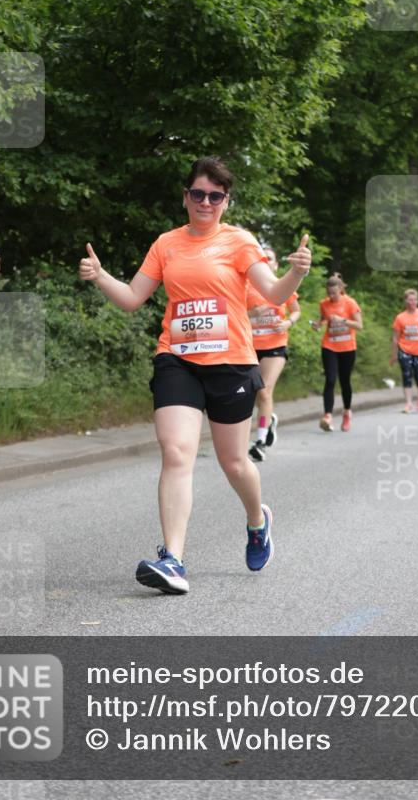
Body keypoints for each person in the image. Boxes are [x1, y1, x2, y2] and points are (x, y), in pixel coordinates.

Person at [79, 157, 311, 594]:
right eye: (198, 194)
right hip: (178, 359)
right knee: (176, 451)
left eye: (215, 195)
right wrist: (100, 276)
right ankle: (173, 560)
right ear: (186, 196)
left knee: (234, 462)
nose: (206, 202)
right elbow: (132, 298)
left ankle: (257, 521)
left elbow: (273, 292)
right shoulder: (166, 244)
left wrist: (296, 272)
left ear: (226, 201)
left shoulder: (239, 241)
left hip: (231, 364)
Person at [246, 248, 301, 461]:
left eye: (270, 258)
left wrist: (288, 322)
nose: (266, 261)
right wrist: (252, 313)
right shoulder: (247, 288)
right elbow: (235, 315)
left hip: (275, 346)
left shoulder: (283, 287)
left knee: (265, 392)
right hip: (249, 347)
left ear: (276, 265)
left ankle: (260, 441)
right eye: (262, 259)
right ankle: (269, 421)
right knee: (250, 395)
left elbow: (296, 310)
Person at [311, 273, 362, 432]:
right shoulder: (324, 304)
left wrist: (343, 320)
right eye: (329, 293)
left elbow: (359, 325)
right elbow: (324, 319)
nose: (331, 296)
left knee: (345, 381)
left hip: (347, 347)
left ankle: (347, 412)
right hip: (329, 346)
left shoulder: (350, 303)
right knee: (330, 379)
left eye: (334, 293)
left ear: (341, 290)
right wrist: (318, 325)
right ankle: (327, 416)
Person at [390, 289, 418, 413]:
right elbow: (395, 337)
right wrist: (394, 354)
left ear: (417, 301)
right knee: (406, 375)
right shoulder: (400, 317)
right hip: (404, 350)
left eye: (414, 299)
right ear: (405, 301)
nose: (412, 302)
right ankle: (408, 403)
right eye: (409, 299)